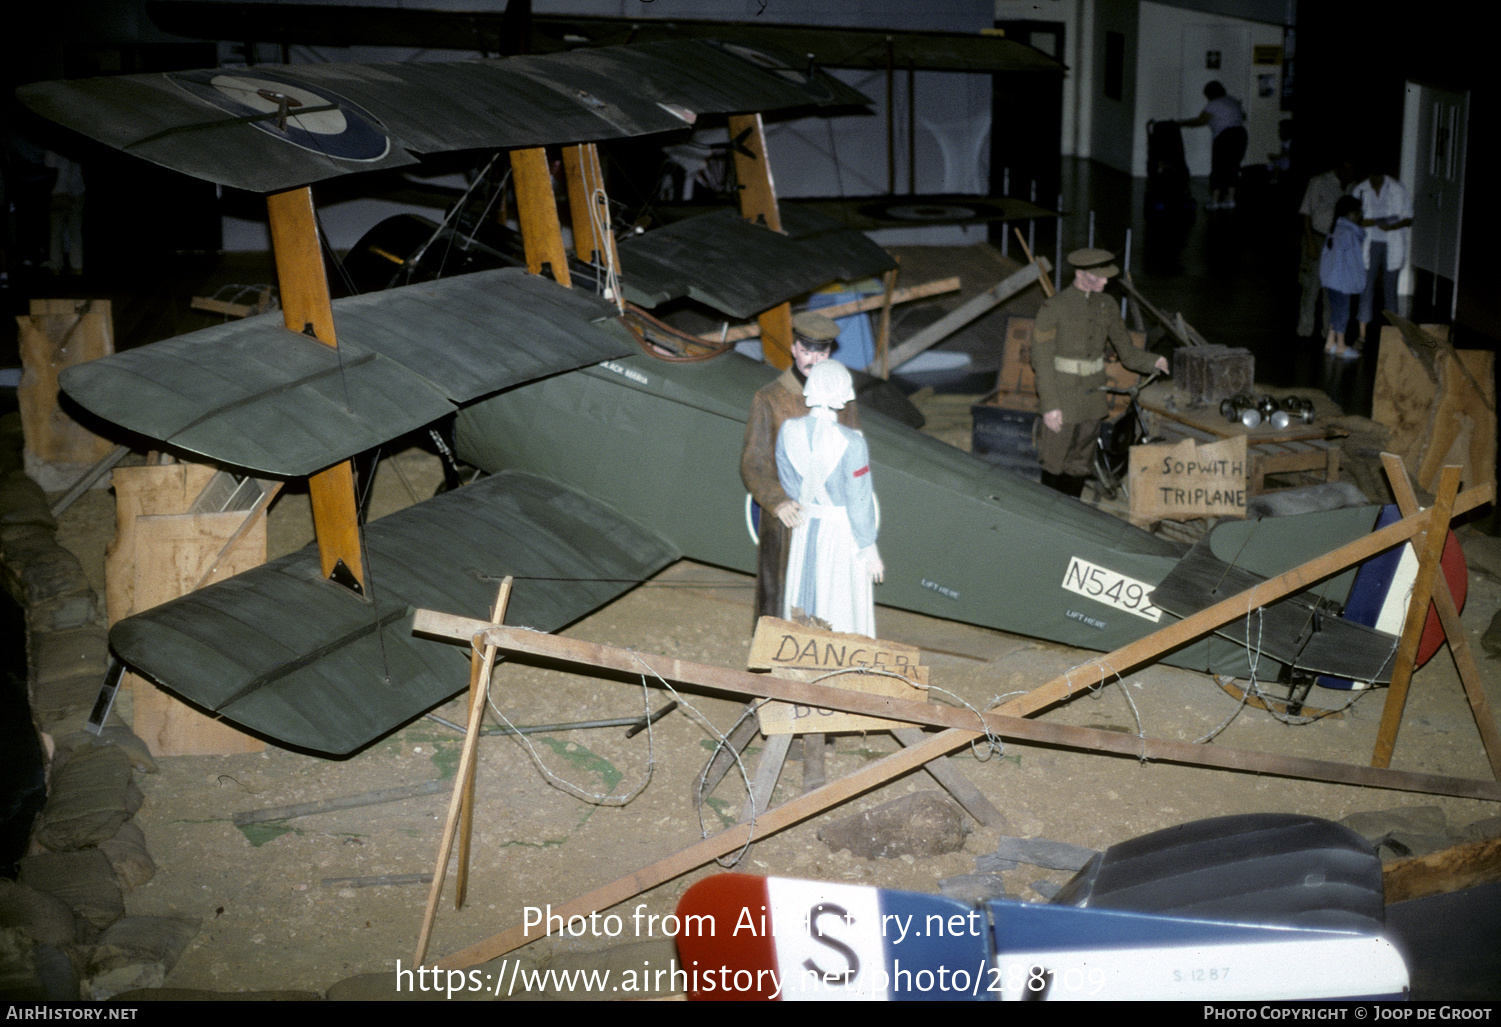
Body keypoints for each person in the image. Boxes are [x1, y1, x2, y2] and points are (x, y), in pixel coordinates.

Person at [741, 312, 860, 623]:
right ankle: (769, 653)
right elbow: (754, 462)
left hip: (829, 518)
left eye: (821, 352)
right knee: (778, 592)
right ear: (794, 349)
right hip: (787, 516)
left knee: (826, 591)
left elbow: (853, 455)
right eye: (807, 351)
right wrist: (777, 501)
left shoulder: (843, 397)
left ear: (830, 353)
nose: (814, 359)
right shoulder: (770, 397)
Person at [1031, 248, 1170, 498]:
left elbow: (1126, 351)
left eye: (1107, 277)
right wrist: (1050, 405)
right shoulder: (1054, 307)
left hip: (1093, 397)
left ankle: (1072, 513)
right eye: (1100, 277)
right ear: (1081, 274)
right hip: (1061, 398)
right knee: (1054, 461)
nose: (1106, 282)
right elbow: (1040, 360)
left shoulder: (1107, 305)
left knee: (1080, 463)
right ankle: (1048, 517)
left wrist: (1154, 361)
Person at [775, 360, 883, 637]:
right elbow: (859, 501)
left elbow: (788, 482)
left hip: (805, 524)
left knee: (804, 591)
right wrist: (869, 548)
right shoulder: (852, 442)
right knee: (840, 602)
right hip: (841, 532)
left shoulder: (787, 430)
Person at [1351, 170, 1413, 349]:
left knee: (1390, 290)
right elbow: (1353, 216)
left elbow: (1408, 218)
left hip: (1391, 242)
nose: (1374, 180)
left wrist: (1393, 225)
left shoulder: (1397, 189)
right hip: (1369, 243)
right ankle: (1362, 336)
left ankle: (1395, 335)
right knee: (1366, 288)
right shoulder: (1361, 189)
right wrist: (1366, 222)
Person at [1296, 157, 1357, 339]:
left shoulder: (1352, 187)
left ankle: (1326, 334)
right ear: (1342, 167)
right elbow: (1306, 213)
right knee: (1311, 288)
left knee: (1331, 292)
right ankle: (1304, 331)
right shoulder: (1319, 182)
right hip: (1317, 237)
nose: (1352, 175)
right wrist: (1310, 243)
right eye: (1349, 171)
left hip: (1338, 242)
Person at [1179, 81, 1248, 209]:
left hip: (1225, 136)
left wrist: (1181, 123)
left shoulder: (1213, 104)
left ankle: (1215, 200)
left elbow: (1201, 121)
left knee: (1219, 166)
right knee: (1233, 166)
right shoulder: (1232, 100)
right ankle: (1231, 199)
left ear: (1209, 94)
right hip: (1240, 134)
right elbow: (1243, 116)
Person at [1320, 195, 1365, 359]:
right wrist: (1359, 281)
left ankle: (1330, 342)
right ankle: (1341, 345)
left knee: (1336, 311)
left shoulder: (1335, 229)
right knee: (1343, 313)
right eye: (1358, 211)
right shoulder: (1349, 232)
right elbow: (1354, 261)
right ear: (1351, 213)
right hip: (1342, 280)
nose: (1361, 215)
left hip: (1331, 279)